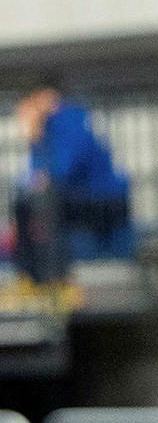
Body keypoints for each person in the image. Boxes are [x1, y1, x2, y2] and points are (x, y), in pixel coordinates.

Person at [11, 83, 133, 306]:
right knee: (24, 203)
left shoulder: (69, 120)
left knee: (46, 203)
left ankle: (57, 279)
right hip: (72, 197)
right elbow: (35, 173)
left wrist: (42, 178)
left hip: (100, 198)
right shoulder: (44, 130)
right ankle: (30, 277)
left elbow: (66, 166)